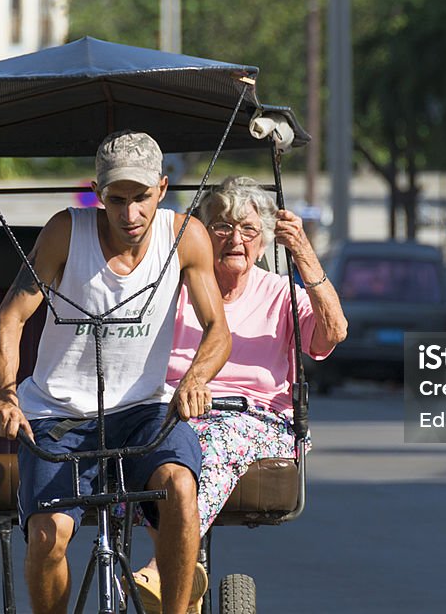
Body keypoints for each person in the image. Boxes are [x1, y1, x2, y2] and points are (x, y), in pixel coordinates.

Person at [0, 130, 232, 614]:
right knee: (47, 535)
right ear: (98, 195)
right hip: (59, 416)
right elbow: (10, 319)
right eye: (117, 200)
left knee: (181, 488)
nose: (130, 214)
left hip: (144, 411)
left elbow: (217, 330)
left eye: (141, 198)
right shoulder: (65, 232)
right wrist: (4, 396)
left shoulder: (186, 236)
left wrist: (196, 378)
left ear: (161, 189)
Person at [128, 176, 348, 612]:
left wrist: (304, 254)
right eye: (222, 227)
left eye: (248, 230)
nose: (235, 239)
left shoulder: (279, 292)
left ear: (264, 241)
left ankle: (165, 568)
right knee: (147, 441)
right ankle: (185, 578)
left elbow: (333, 332)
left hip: (255, 420)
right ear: (203, 234)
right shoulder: (174, 288)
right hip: (176, 412)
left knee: (198, 446)